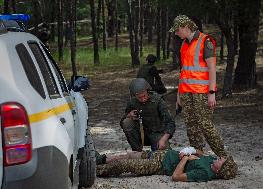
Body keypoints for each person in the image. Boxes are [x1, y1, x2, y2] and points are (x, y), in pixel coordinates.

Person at [169, 15, 227, 157]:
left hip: (201, 92)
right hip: (186, 92)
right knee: (191, 126)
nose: (176, 34)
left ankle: (223, 157)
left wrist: (212, 92)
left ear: (185, 27)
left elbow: (212, 68)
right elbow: (183, 71)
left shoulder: (205, 41)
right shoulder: (184, 44)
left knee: (205, 125)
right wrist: (178, 95)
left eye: (177, 31)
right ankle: (197, 155)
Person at [95, 147, 238, 182]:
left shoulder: (205, 174)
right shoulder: (212, 159)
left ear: (220, 169)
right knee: (129, 154)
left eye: (222, 160)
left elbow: (176, 176)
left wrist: (185, 159)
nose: (220, 157)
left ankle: (93, 171)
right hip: (165, 154)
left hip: (160, 165)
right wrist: (192, 150)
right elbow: (200, 153)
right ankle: (98, 160)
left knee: (124, 165)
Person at [120, 78, 175, 152]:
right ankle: (137, 152)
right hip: (141, 135)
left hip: (157, 133)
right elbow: (122, 123)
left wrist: (164, 139)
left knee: (165, 155)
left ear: (148, 91)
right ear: (135, 96)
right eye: (139, 97)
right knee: (127, 122)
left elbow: (170, 122)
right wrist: (129, 115)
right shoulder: (132, 102)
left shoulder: (158, 101)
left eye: (144, 96)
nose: (143, 99)